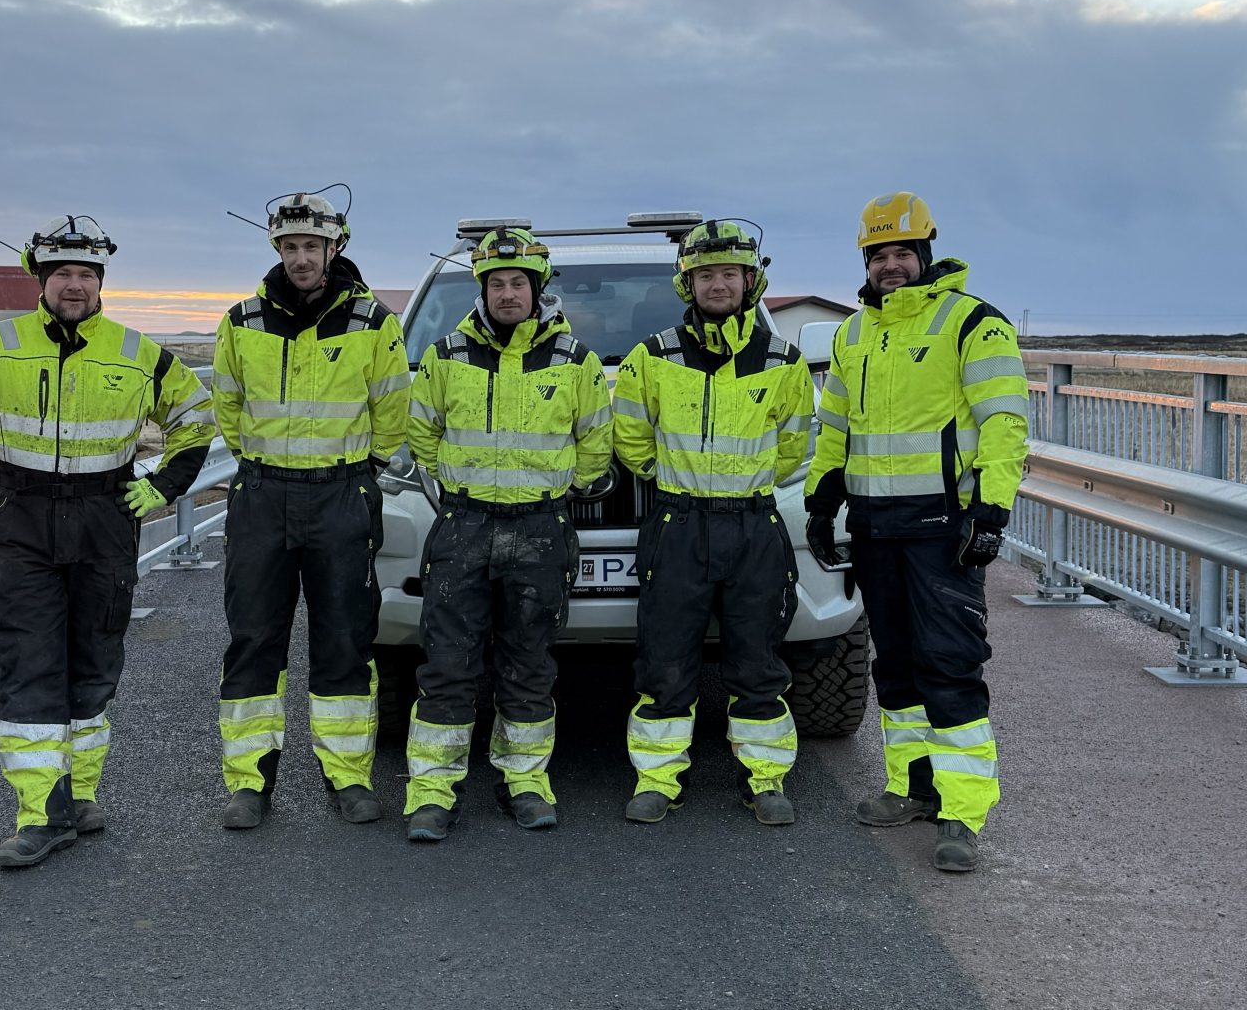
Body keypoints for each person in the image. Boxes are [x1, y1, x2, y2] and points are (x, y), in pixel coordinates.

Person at [0, 215, 216, 868]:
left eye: (87, 275)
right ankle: (41, 813)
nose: (76, 286)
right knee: (31, 659)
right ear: (41, 280)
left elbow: (195, 420)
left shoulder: (137, 353)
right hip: (26, 519)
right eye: (64, 274)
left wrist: (162, 489)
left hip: (107, 520)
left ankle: (80, 794)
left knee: (95, 662)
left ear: (102, 283)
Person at [803, 190, 1029, 873]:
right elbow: (836, 426)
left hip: (943, 529)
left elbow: (1004, 424)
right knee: (895, 668)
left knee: (950, 667)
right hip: (876, 528)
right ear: (866, 262)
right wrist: (821, 499)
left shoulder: (973, 324)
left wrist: (989, 513)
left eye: (903, 253)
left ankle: (962, 813)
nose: (891, 266)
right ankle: (911, 787)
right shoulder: (852, 334)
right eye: (879, 256)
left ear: (926, 255)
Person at [401, 228, 613, 841]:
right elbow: (422, 435)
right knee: (447, 665)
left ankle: (525, 782)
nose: (508, 293)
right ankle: (432, 792)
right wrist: (461, 487)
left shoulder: (576, 362)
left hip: (541, 530)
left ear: (537, 288)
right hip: (464, 526)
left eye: (518, 282)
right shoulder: (445, 357)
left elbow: (595, 444)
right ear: (483, 290)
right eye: (497, 283)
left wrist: (555, 490)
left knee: (529, 664)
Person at [209, 191, 411, 829]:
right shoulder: (241, 322)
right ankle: (248, 783)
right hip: (263, 497)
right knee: (253, 641)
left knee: (345, 639)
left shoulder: (374, 324)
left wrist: (354, 473)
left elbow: (392, 414)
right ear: (278, 250)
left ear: (334, 249)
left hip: (341, 496)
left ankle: (348, 775)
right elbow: (229, 410)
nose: (300, 258)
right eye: (289, 247)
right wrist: (269, 467)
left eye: (310, 247)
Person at [611, 219, 815, 826]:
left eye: (729, 273)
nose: (718, 284)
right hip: (678, 523)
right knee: (666, 660)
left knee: (757, 662)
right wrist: (681, 483)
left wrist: (739, 487)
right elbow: (631, 436)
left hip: (753, 527)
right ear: (687, 283)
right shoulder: (653, 355)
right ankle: (657, 778)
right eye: (705, 274)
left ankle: (767, 778)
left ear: (751, 281)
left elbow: (793, 448)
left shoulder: (783, 360)